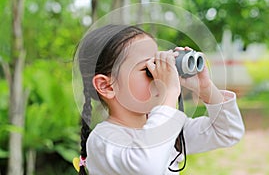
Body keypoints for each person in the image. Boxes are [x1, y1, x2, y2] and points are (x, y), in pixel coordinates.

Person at [75, 24, 244, 175]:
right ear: (107, 86)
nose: (158, 75)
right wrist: (169, 92)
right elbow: (148, 166)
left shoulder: (168, 128)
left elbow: (228, 132)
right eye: (148, 69)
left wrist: (205, 88)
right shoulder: (103, 139)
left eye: (157, 64)